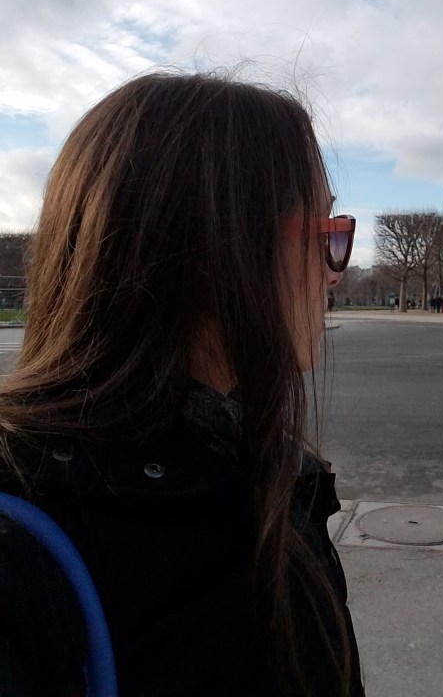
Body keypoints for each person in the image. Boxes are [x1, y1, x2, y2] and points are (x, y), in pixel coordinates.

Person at [0, 71, 364, 697]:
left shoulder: (249, 460)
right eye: (323, 234)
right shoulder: (17, 563)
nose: (336, 272)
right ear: (220, 255)